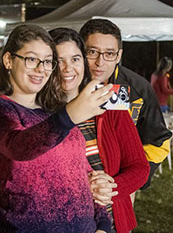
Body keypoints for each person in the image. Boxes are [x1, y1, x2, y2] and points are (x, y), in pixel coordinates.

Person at [0, 24, 114, 233]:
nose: (41, 69)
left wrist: (102, 224)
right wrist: (69, 115)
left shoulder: (52, 113)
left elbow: (82, 175)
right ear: (8, 60)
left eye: (48, 62)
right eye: (32, 59)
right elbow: (21, 147)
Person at [50, 27, 150, 233]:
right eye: (58, 60)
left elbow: (140, 167)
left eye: (75, 59)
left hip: (114, 224)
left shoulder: (111, 99)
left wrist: (110, 188)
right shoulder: (38, 111)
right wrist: (82, 187)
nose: (67, 68)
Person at [79, 19, 171, 189]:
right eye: (92, 52)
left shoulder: (138, 88)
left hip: (117, 183)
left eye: (109, 53)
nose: (100, 62)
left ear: (119, 55)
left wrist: (132, 178)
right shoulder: (67, 84)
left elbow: (159, 140)